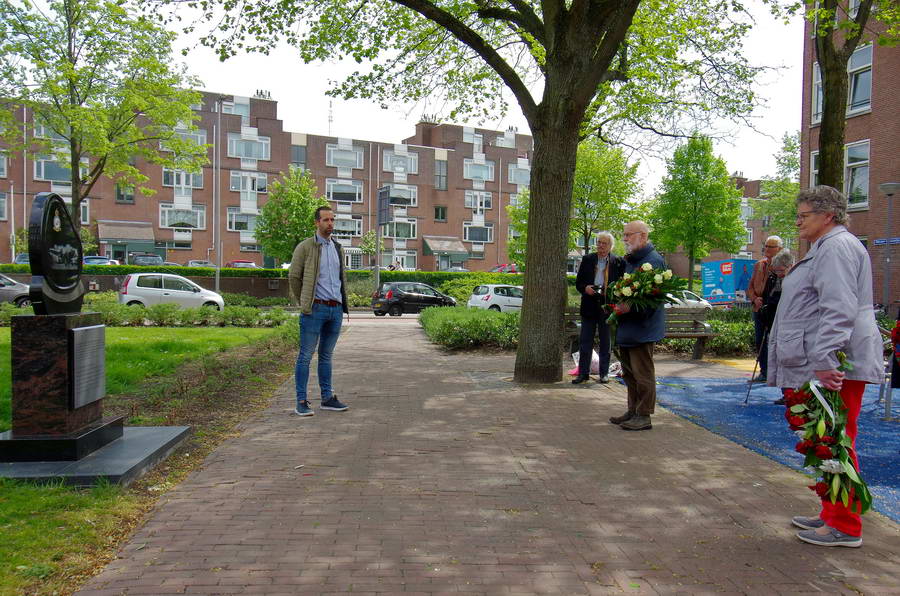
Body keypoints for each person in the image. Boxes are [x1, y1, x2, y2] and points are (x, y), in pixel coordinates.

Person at [768, 186, 882, 548]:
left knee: (835, 440)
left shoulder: (836, 248)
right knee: (822, 438)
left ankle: (844, 525)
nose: (798, 222)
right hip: (824, 360)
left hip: (833, 364)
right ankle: (832, 511)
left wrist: (825, 360)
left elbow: (838, 308)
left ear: (828, 215)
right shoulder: (826, 248)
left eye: (804, 216)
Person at [288, 206, 351, 416]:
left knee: (326, 356)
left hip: (335, 310)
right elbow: (294, 277)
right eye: (326, 220)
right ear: (317, 222)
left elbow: (340, 279)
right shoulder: (306, 247)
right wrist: (305, 301)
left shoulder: (338, 248)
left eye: (333, 220)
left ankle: (327, 398)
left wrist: (342, 304)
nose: (330, 223)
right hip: (315, 309)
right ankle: (301, 401)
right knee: (305, 356)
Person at [608, 221, 666, 431]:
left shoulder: (653, 262)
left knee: (643, 374)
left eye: (628, 235)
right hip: (629, 327)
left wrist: (629, 307)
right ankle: (633, 410)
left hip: (643, 327)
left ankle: (644, 415)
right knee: (629, 373)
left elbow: (652, 299)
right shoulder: (632, 261)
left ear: (642, 236)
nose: (624, 239)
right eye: (624, 235)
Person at [573, 232, 626, 384]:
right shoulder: (587, 259)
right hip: (589, 305)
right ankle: (583, 374)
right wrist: (586, 288)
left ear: (610, 246)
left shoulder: (618, 262)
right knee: (585, 342)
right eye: (599, 242)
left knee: (605, 342)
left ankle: (604, 374)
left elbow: (621, 286)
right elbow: (579, 284)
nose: (601, 245)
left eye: (604, 243)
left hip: (607, 307)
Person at [758, 249, 794, 404]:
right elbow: (770, 297)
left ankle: (791, 393)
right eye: (776, 270)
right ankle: (786, 392)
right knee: (781, 360)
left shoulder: (795, 280)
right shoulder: (774, 278)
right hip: (775, 320)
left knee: (789, 361)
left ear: (790, 266)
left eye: (781, 270)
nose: (778, 273)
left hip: (790, 326)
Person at [747, 235, 784, 382]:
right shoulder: (759, 265)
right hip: (759, 309)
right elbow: (749, 288)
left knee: (775, 341)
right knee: (759, 340)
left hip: (774, 309)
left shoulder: (782, 266)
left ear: (779, 249)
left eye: (770, 247)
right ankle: (764, 371)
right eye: (766, 246)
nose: (766, 249)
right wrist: (755, 299)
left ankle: (777, 372)